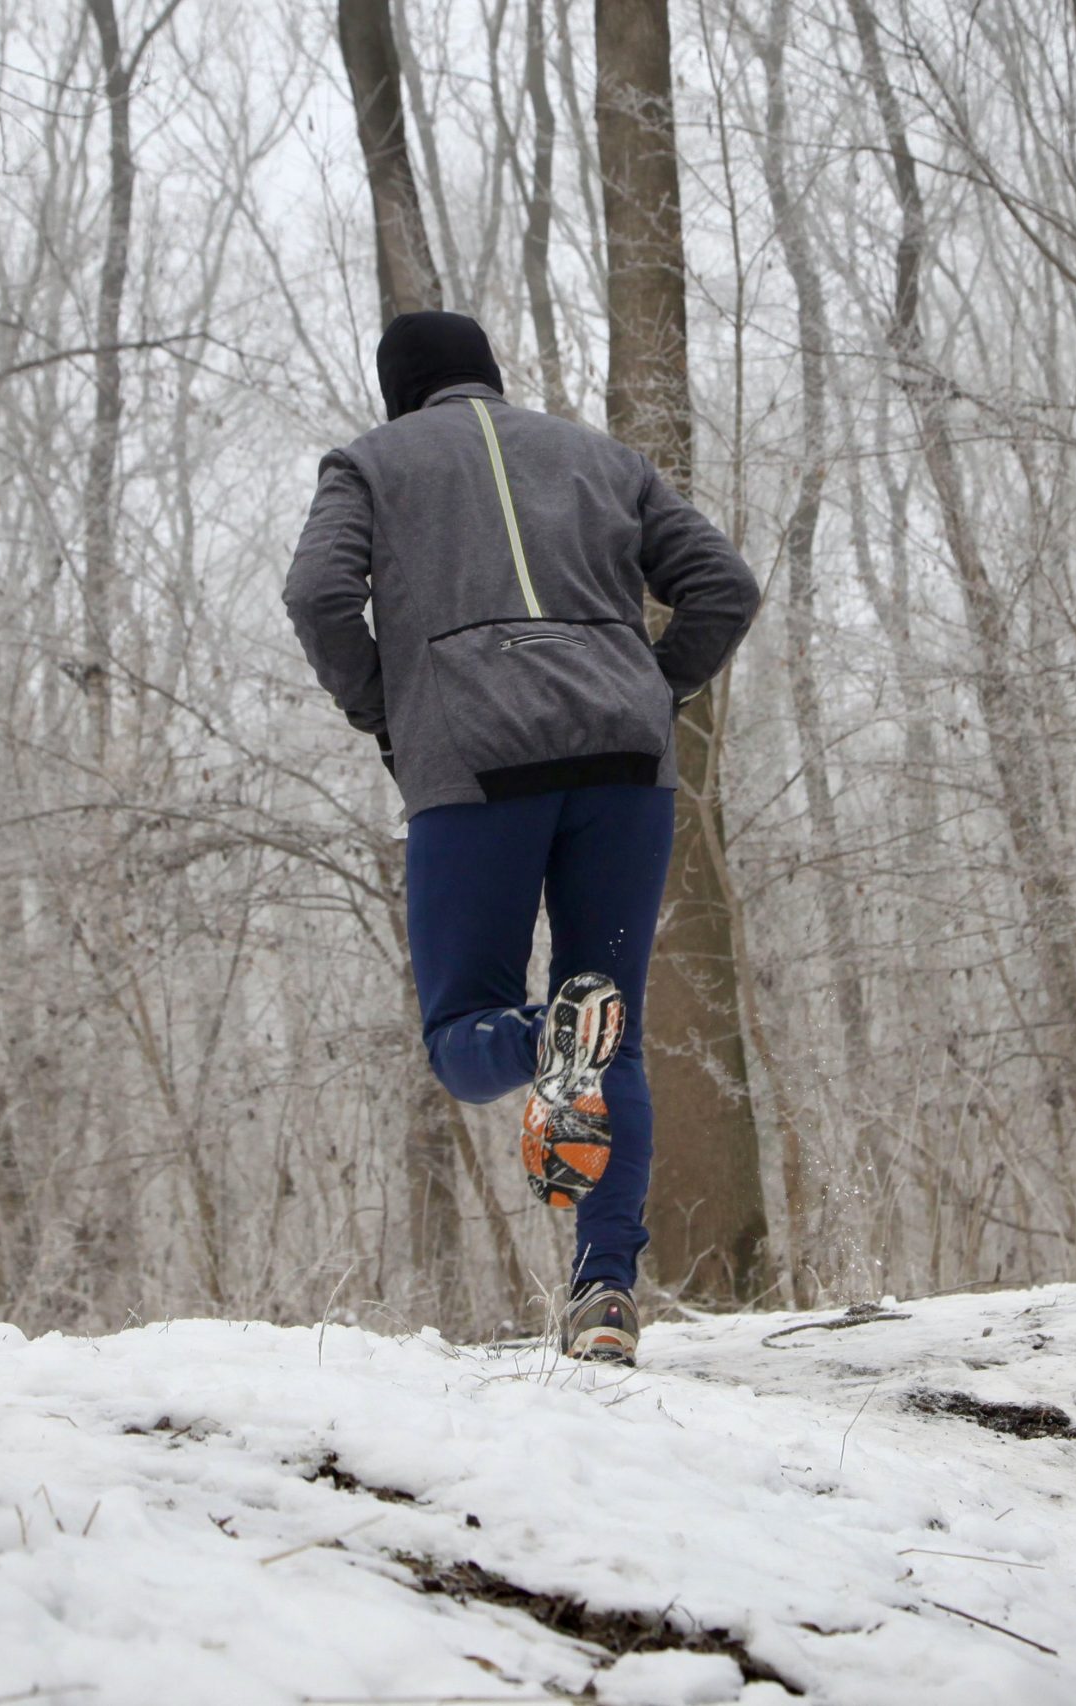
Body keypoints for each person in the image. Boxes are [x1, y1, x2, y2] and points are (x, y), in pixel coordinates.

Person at [283, 311, 759, 1365]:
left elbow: (317, 594)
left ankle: (545, 1036)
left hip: (472, 766)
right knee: (615, 1030)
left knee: (466, 1035)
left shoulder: (367, 464)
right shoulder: (604, 457)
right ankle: (603, 1296)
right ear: (490, 376)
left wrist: (392, 714)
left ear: (397, 388)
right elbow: (723, 586)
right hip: (624, 772)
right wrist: (645, 688)